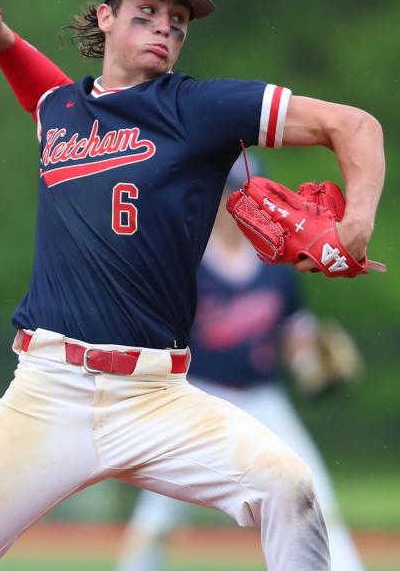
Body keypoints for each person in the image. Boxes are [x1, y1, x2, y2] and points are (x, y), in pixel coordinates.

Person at [0, 0, 384, 571]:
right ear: (105, 17)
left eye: (178, 20)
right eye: (146, 10)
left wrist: (357, 221)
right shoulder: (62, 112)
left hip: (157, 397)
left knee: (288, 484)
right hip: (48, 393)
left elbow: (355, 126)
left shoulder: (198, 110)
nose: (164, 26)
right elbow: (43, 94)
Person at [116, 156, 367, 571]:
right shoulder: (189, 262)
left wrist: (315, 365)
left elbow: (295, 342)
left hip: (262, 398)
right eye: (226, 189)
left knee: (310, 489)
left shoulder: (277, 266)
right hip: (198, 397)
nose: (233, 199)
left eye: (243, 190)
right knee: (159, 514)